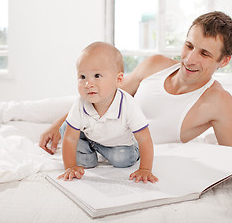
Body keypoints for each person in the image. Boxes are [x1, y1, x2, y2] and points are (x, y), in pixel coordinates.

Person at [40, 11, 232, 190]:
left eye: (204, 53)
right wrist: (56, 126)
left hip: (126, 153)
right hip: (97, 129)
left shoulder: (218, 102)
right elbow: (101, 96)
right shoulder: (154, 66)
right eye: (189, 46)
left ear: (224, 61)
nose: (190, 59)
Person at [56, 41, 158, 184]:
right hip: (91, 137)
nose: (88, 84)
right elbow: (70, 138)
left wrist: (146, 169)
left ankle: (125, 150)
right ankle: (92, 148)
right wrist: (70, 166)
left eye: (97, 76)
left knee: (123, 159)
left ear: (119, 79)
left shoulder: (128, 105)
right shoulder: (81, 103)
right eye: (82, 77)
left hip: (118, 143)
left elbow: (144, 138)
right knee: (72, 139)